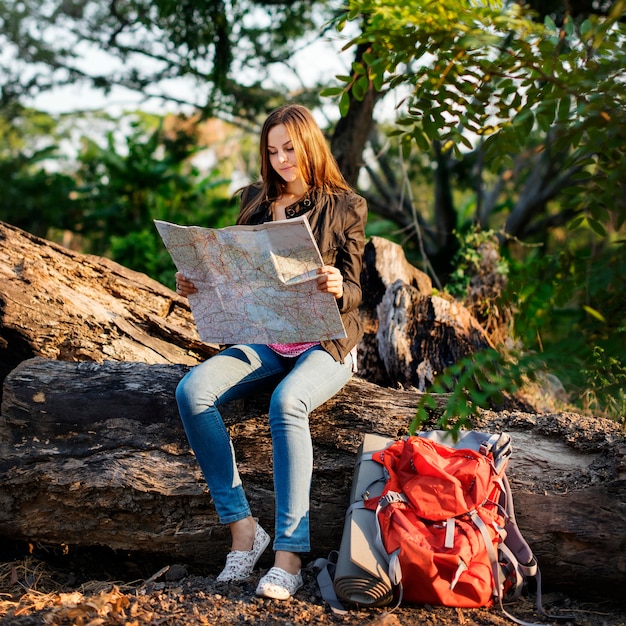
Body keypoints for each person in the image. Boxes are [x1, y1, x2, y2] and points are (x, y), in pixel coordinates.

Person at [174, 103, 367, 600]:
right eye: (274, 151)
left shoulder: (344, 206)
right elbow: (234, 277)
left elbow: (358, 291)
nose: (283, 160)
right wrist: (196, 283)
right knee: (193, 391)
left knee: (287, 403)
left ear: (310, 147)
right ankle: (242, 529)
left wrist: (336, 284)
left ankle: (288, 556)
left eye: (291, 149)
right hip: (266, 337)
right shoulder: (254, 203)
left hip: (326, 342)